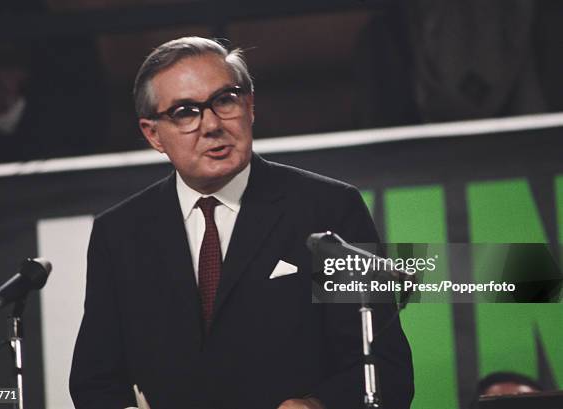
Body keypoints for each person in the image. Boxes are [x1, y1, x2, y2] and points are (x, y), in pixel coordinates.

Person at [70, 36, 413, 409]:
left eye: (224, 100)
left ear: (249, 106)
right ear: (153, 134)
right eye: (185, 112)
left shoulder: (328, 208)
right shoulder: (119, 234)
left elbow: (383, 366)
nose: (212, 124)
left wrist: (318, 406)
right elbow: (95, 382)